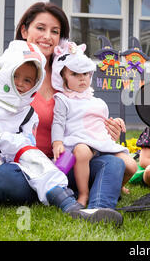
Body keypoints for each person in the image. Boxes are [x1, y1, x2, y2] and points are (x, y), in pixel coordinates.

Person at [0, 2, 125, 225]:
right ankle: (55, 191)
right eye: (40, 28)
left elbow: (85, 119)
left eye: (55, 31)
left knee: (112, 164)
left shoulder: (68, 74)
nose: (47, 36)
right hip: (18, 166)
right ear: (25, 31)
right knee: (0, 179)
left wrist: (106, 132)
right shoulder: (5, 72)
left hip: (64, 162)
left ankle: (97, 209)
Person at [0, 40, 83, 215]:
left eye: (27, 80)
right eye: (15, 76)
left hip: (15, 161)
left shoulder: (28, 113)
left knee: (36, 161)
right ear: (4, 73)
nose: (20, 83)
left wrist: (2, 137)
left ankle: (65, 201)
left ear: (35, 83)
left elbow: (27, 142)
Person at [51, 40, 137, 205]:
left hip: (101, 144)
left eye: (85, 74)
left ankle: (117, 186)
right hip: (80, 141)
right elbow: (58, 123)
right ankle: (84, 193)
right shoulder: (63, 99)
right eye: (74, 74)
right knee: (82, 152)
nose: (81, 78)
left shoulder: (97, 101)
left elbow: (102, 124)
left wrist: (115, 122)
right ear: (63, 77)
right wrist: (57, 142)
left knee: (131, 165)